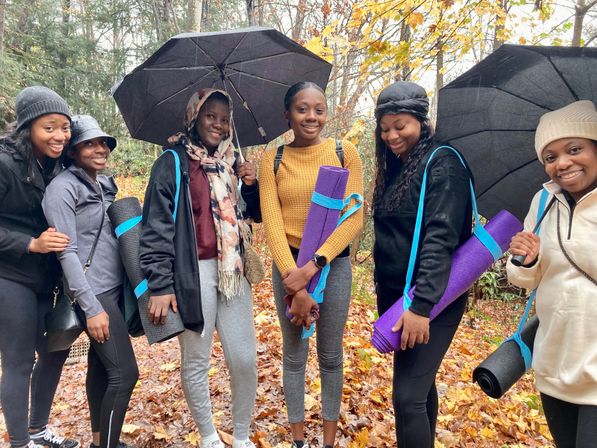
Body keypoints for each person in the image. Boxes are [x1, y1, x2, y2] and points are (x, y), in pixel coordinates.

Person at [139, 89, 261, 448]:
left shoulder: (231, 163)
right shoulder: (173, 163)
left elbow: (251, 216)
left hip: (232, 271)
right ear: (194, 117)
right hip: (193, 274)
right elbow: (156, 226)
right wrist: (160, 284)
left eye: (224, 119)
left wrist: (250, 186)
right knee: (196, 359)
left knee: (244, 358)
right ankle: (208, 436)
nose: (218, 125)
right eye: (211, 116)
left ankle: (240, 436)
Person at [259, 81, 364, 448]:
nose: (312, 116)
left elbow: (354, 217)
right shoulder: (272, 158)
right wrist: (296, 281)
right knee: (294, 356)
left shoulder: (344, 152)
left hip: (332, 268)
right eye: (302, 109)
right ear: (287, 114)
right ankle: (299, 440)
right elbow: (271, 219)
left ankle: (329, 441)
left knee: (331, 355)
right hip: (287, 267)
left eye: (319, 108)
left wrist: (314, 266)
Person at [372, 81, 472, 447]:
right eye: (384, 128)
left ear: (421, 121)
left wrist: (421, 306)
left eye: (400, 126)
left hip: (433, 299)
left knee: (407, 397)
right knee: (419, 388)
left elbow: (440, 237)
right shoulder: (398, 167)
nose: (391, 135)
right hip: (404, 300)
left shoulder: (442, 163)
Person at [42, 115, 139, 448]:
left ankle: (100, 440)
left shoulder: (102, 183)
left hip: (113, 288)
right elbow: (66, 252)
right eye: (89, 143)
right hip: (92, 292)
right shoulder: (62, 189)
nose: (100, 149)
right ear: (72, 151)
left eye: (103, 143)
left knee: (102, 369)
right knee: (126, 374)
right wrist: (92, 307)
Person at [507, 100, 597, 448]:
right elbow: (525, 280)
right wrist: (525, 260)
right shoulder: (542, 202)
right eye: (550, 156)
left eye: (575, 149)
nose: (562, 163)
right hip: (555, 363)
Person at [0, 86, 79, 448]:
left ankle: (37, 429)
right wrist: (29, 243)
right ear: (28, 126)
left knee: (53, 353)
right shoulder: (4, 162)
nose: (59, 135)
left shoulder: (60, 165)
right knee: (18, 359)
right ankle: (19, 443)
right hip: (10, 274)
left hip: (45, 278)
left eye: (64, 127)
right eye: (50, 127)